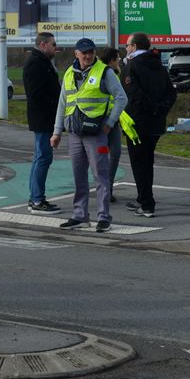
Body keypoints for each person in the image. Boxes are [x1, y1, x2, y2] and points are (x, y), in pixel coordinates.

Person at [51, 37, 127, 233]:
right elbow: (62, 104)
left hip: (96, 134)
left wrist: (110, 123)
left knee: (101, 176)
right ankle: (80, 216)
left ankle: (103, 217)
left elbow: (121, 98)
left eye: (91, 52)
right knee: (78, 176)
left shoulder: (104, 72)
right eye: (84, 52)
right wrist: (57, 132)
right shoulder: (69, 73)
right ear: (76, 53)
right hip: (75, 134)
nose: (87, 55)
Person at [122, 32, 176, 218]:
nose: (126, 48)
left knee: (139, 163)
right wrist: (161, 109)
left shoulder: (132, 65)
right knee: (148, 161)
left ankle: (146, 204)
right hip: (157, 122)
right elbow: (171, 92)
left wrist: (151, 108)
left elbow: (134, 94)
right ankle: (143, 197)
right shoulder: (158, 64)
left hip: (137, 122)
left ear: (134, 47)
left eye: (128, 45)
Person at [23, 32, 62, 214]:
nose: (56, 47)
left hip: (45, 118)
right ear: (43, 44)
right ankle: (37, 200)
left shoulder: (43, 62)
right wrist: (55, 104)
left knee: (40, 157)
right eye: (53, 44)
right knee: (43, 157)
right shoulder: (35, 64)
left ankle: (35, 198)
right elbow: (35, 94)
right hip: (43, 118)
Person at [99, 47, 123, 203]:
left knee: (115, 153)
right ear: (112, 59)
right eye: (118, 58)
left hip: (113, 121)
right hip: (102, 121)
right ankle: (103, 189)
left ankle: (108, 188)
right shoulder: (103, 73)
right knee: (101, 154)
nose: (120, 60)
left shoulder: (114, 74)